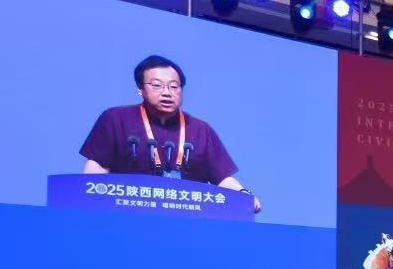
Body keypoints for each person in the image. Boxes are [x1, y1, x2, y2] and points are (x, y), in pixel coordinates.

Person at [79, 55, 261, 212]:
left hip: (186, 220)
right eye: (157, 85)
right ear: (140, 89)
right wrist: (90, 204)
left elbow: (222, 178)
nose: (167, 93)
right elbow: (97, 168)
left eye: (174, 87)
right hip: (126, 214)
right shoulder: (116, 119)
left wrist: (244, 195)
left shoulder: (200, 129)